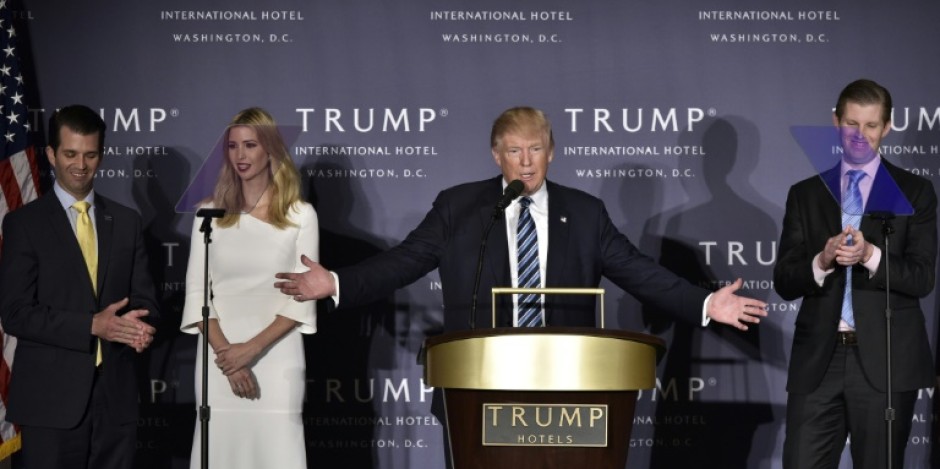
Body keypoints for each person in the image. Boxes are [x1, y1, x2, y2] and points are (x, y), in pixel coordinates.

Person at [275, 106, 766, 331]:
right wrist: (336, 282)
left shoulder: (585, 213)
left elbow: (640, 273)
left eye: (535, 150)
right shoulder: (460, 206)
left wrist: (705, 303)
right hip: (476, 375)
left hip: (566, 382)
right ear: (496, 156)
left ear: (552, 153)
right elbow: (404, 262)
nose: (526, 162)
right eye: (514, 151)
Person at [774, 79, 937, 469]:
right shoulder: (807, 193)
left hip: (885, 364)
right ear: (835, 122)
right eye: (850, 124)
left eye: (870, 126)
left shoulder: (914, 192)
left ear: (886, 128)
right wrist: (822, 259)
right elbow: (784, 280)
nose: (859, 135)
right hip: (818, 364)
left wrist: (870, 255)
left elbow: (922, 277)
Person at [0, 105, 159, 469]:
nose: (80, 165)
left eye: (89, 155)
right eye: (70, 154)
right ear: (51, 155)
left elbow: (146, 299)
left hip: (115, 401)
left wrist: (142, 328)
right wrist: (92, 325)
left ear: (101, 156)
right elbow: (16, 313)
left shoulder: (125, 222)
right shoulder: (23, 224)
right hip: (51, 406)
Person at [179, 107, 318, 469]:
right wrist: (227, 355)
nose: (241, 154)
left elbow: (302, 297)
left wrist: (250, 351)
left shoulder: (300, 214)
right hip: (219, 365)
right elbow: (197, 293)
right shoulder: (208, 214)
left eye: (251, 144)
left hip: (275, 363)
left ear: (270, 149)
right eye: (233, 145)